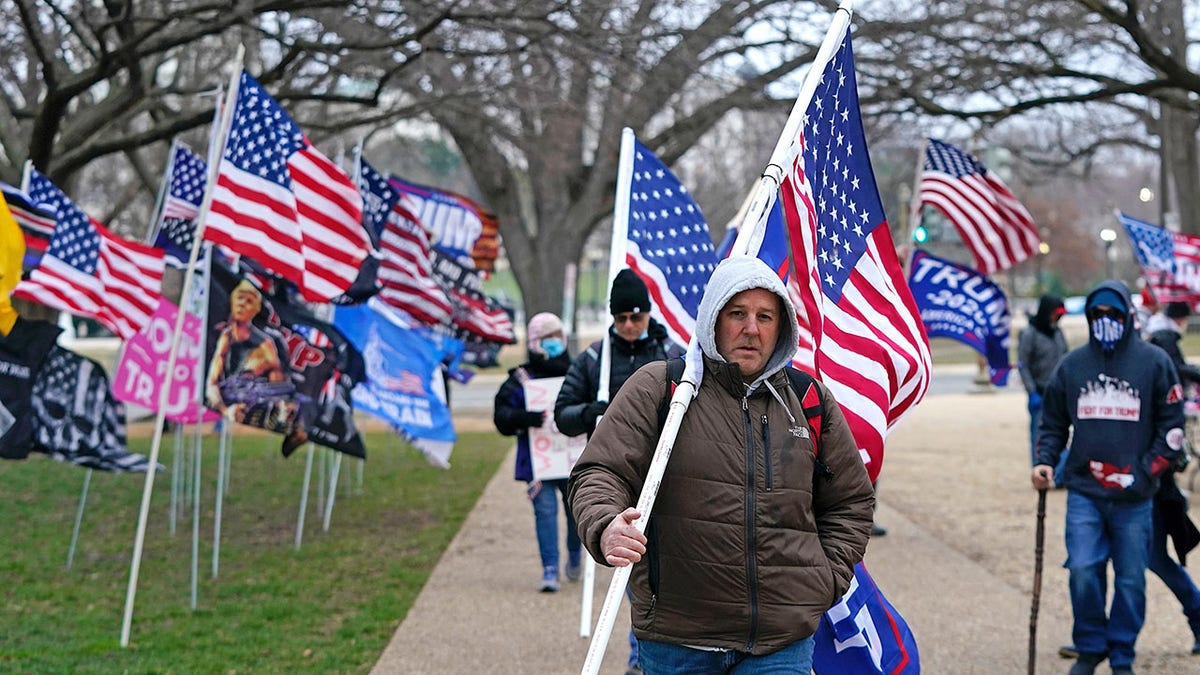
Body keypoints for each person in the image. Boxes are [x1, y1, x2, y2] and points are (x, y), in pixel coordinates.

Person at [568, 256, 875, 675]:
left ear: (781, 327)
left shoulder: (809, 403)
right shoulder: (662, 390)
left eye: (765, 316)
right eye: (737, 314)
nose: (752, 328)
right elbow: (599, 473)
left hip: (780, 645)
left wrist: (823, 580)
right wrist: (606, 525)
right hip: (679, 640)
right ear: (713, 318)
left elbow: (850, 502)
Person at [1031, 281, 1185, 675]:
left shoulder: (1154, 362)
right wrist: (1046, 460)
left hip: (1135, 497)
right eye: (1097, 314)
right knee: (1083, 570)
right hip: (1085, 490)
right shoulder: (1073, 365)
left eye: (1113, 314)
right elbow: (1052, 423)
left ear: (1127, 316)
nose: (1105, 321)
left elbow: (1171, 429)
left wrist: (1144, 471)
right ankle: (1089, 647)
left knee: (1131, 580)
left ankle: (1122, 653)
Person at [555, 267, 684, 675]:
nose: (629, 326)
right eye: (621, 318)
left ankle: (642, 652)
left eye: (636, 317)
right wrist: (594, 411)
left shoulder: (674, 354)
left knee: (662, 569)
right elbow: (563, 414)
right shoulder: (594, 358)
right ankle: (637, 654)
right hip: (618, 473)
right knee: (631, 560)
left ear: (647, 314)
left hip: (668, 473)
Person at [493, 312, 582, 593]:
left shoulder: (577, 372)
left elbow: (593, 405)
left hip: (573, 460)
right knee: (545, 511)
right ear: (534, 342)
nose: (553, 342)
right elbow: (502, 415)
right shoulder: (521, 379)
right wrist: (524, 417)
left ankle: (575, 553)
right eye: (546, 338)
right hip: (539, 462)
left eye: (557, 336)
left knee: (576, 513)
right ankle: (550, 568)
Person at [205, 279, 292, 428]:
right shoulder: (225, 337)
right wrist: (226, 411)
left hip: (253, 402)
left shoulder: (265, 344)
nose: (242, 304)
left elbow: (277, 380)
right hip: (226, 400)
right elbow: (211, 384)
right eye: (239, 298)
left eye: (249, 301)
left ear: (256, 309)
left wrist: (280, 406)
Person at [1018, 295, 1069, 471]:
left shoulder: (1058, 333)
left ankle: (1061, 472)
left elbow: (1066, 358)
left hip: (1059, 392)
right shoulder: (1030, 334)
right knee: (1039, 435)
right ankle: (1040, 469)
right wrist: (1031, 391)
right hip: (1039, 392)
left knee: (1062, 433)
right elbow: (1023, 365)